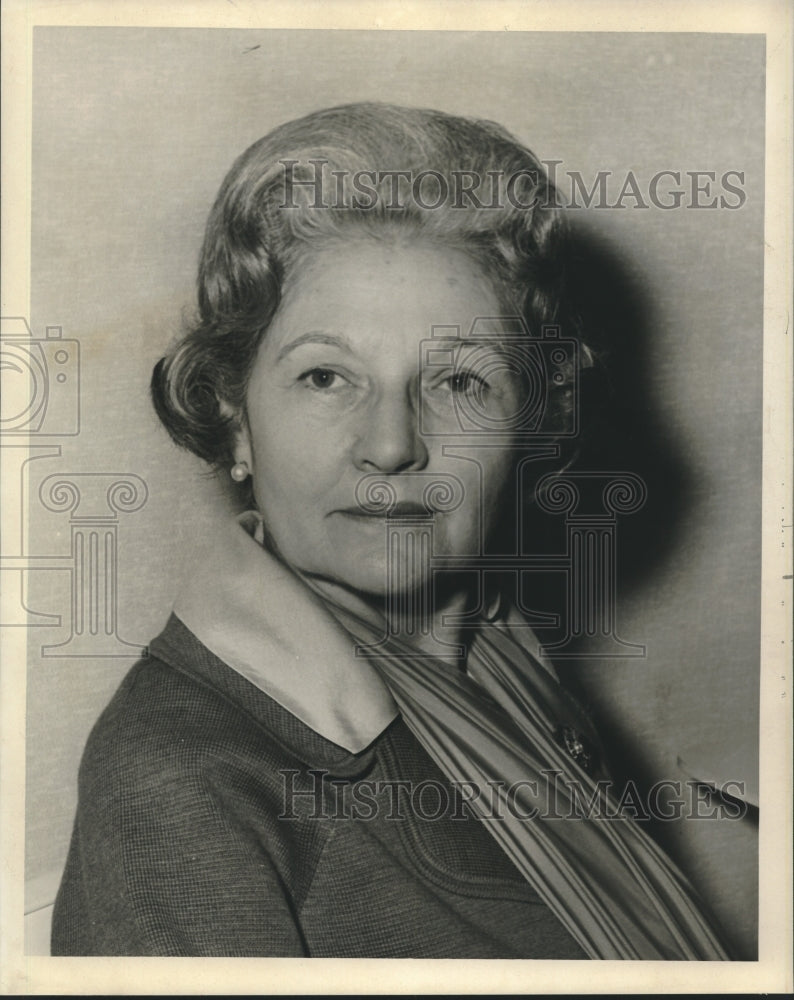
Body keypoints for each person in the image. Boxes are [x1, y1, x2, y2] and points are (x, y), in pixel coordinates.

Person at [51, 102, 730, 959]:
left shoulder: (503, 664)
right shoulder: (182, 780)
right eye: (326, 376)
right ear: (232, 416)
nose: (392, 445)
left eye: (458, 380)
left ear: (536, 419)